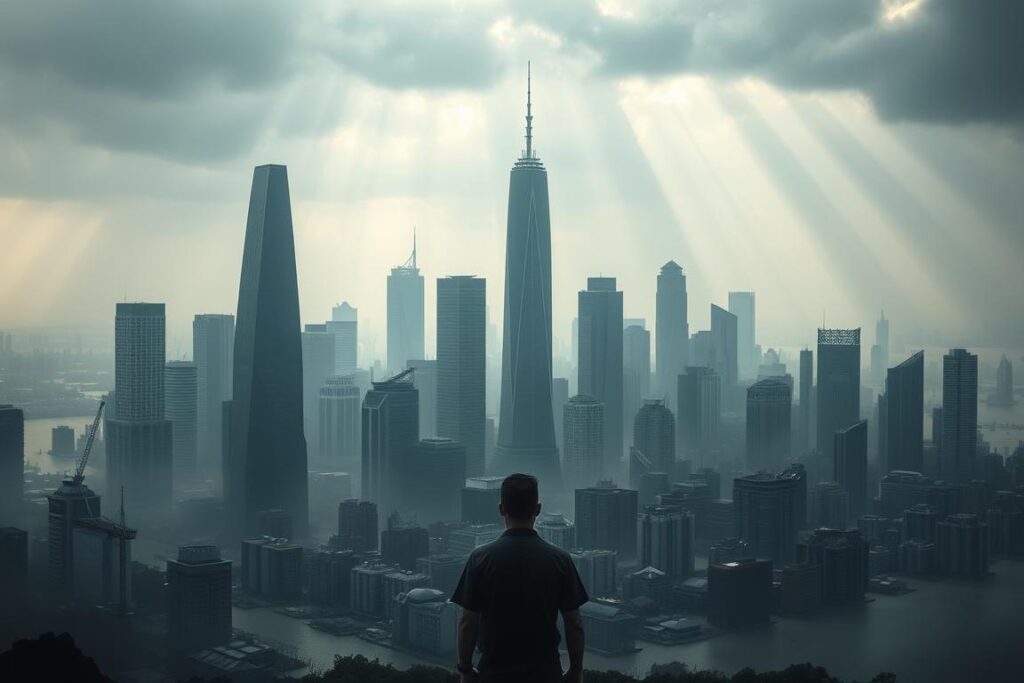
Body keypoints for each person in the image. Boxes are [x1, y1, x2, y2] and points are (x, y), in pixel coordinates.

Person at [452, 473, 588, 683]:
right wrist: (576, 670)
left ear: (501, 509)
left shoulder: (480, 559)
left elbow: (467, 623)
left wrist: (465, 669)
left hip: (494, 675)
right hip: (546, 675)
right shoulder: (560, 560)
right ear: (537, 509)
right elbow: (574, 623)